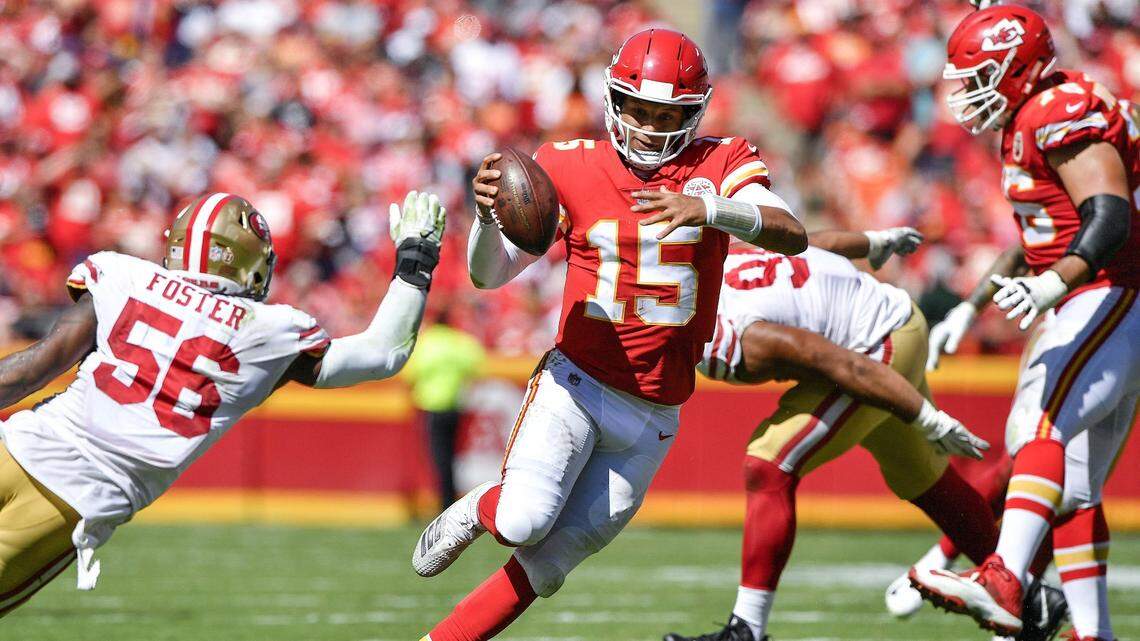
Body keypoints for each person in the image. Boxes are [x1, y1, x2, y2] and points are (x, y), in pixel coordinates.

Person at [411, 28, 808, 641]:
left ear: (694, 111)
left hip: (655, 410)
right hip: (576, 381)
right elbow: (490, 276)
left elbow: (789, 231)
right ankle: (479, 507)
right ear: (613, 101)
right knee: (522, 521)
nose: (650, 126)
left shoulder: (719, 161)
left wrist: (710, 210)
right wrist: (490, 222)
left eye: (667, 114)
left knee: (547, 569)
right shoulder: (569, 162)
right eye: (638, 110)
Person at [0, 190, 446, 616]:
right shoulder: (269, 331)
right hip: (74, 497)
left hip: (15, 443)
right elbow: (384, 353)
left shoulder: (122, 275)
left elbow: (29, 370)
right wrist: (415, 259)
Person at [909, 6, 1140, 640]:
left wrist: (1051, 284)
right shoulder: (1024, 120)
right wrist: (971, 304)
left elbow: (1110, 216)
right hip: (1097, 289)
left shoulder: (1058, 108)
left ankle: (1005, 576)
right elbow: (1039, 231)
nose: (969, 91)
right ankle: (1094, 634)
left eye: (981, 75)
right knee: (1076, 486)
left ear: (1020, 66)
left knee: (1036, 422)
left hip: (1114, 286)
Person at [660, 229, 1007, 641]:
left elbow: (838, 364)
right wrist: (872, 243)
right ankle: (1026, 593)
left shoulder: (729, 338)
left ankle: (747, 629)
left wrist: (926, 418)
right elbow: (808, 245)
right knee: (925, 482)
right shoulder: (720, 265)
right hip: (886, 320)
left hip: (873, 345)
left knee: (769, 462)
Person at [402, 308, 486, 510]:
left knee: (438, 457)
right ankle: (449, 499)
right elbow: (476, 366)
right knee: (452, 456)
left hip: (431, 405)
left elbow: (410, 374)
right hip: (455, 406)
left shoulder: (425, 343)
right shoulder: (460, 342)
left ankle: (444, 502)